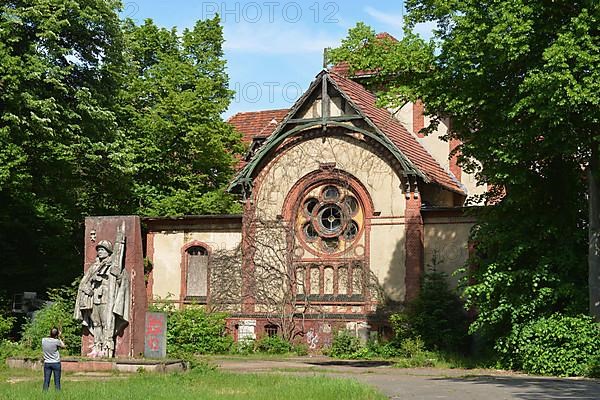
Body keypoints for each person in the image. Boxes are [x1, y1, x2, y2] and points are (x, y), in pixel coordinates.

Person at [74, 238, 130, 357]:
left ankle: (107, 347)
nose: (99, 252)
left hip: (108, 299)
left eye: (102, 249)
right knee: (96, 323)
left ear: (108, 251)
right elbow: (84, 283)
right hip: (95, 298)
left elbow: (123, 281)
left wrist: (118, 275)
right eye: (98, 249)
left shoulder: (114, 265)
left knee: (107, 323)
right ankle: (97, 346)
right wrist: (89, 287)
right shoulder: (94, 267)